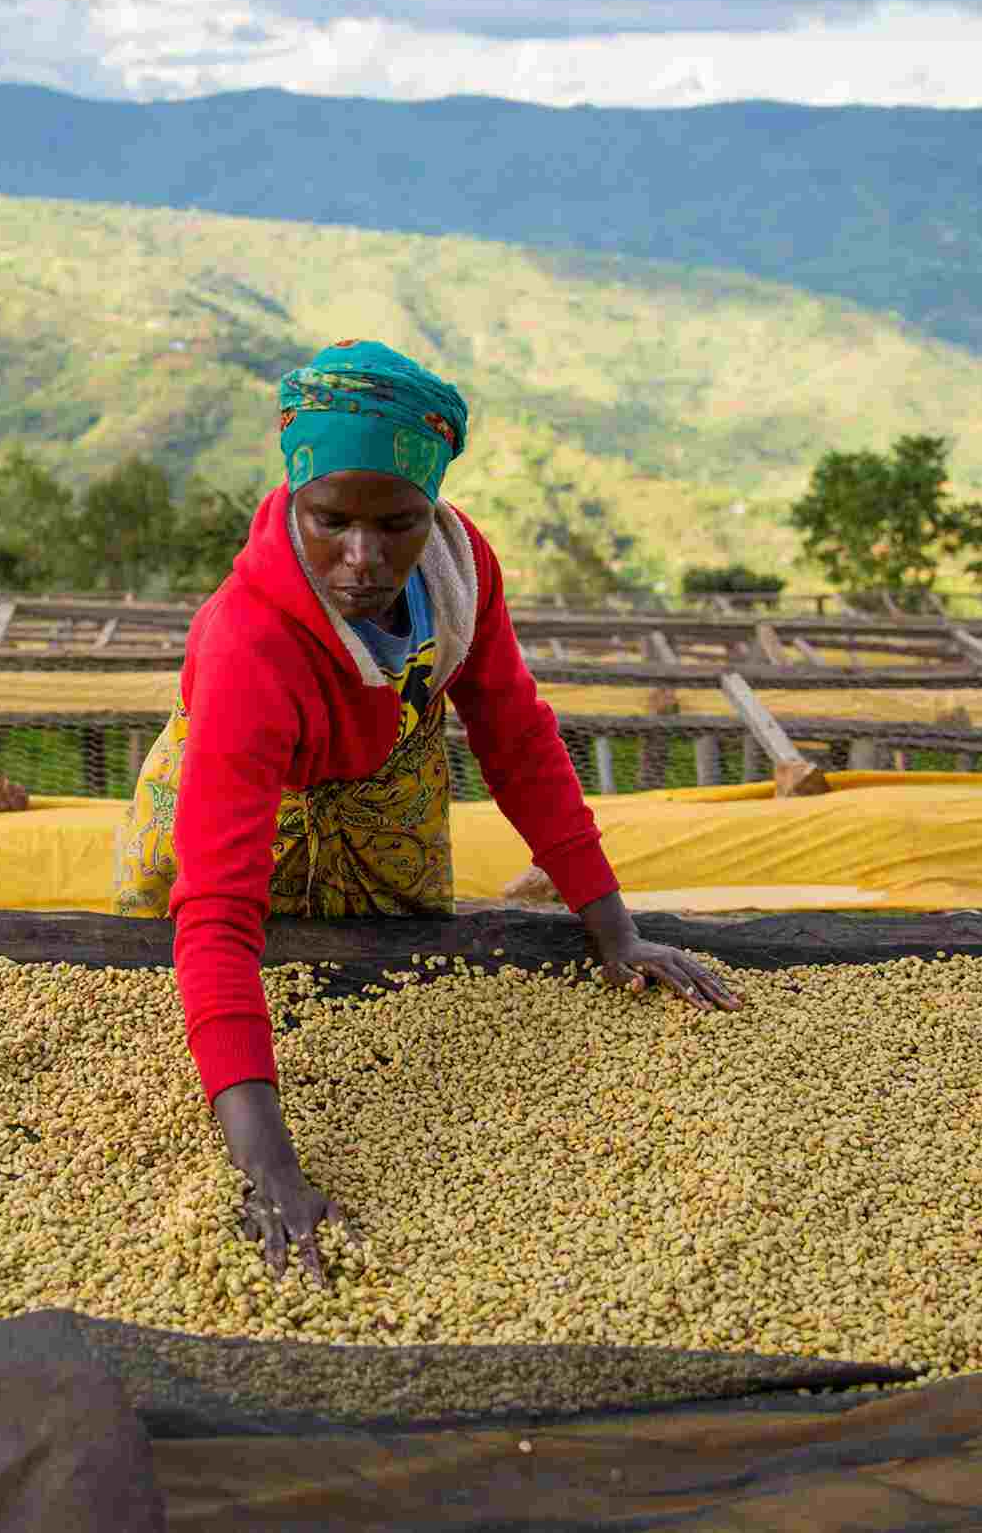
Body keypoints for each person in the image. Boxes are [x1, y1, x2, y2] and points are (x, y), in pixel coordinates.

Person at [113, 338, 743, 1282]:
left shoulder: (458, 570)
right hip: (240, 812)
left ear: (433, 509)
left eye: (396, 523)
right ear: (295, 498)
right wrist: (271, 1166)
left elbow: (516, 737)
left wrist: (615, 930)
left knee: (385, 966)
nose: (362, 559)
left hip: (384, 796)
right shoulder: (249, 646)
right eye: (331, 522)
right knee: (192, 959)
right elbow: (217, 908)